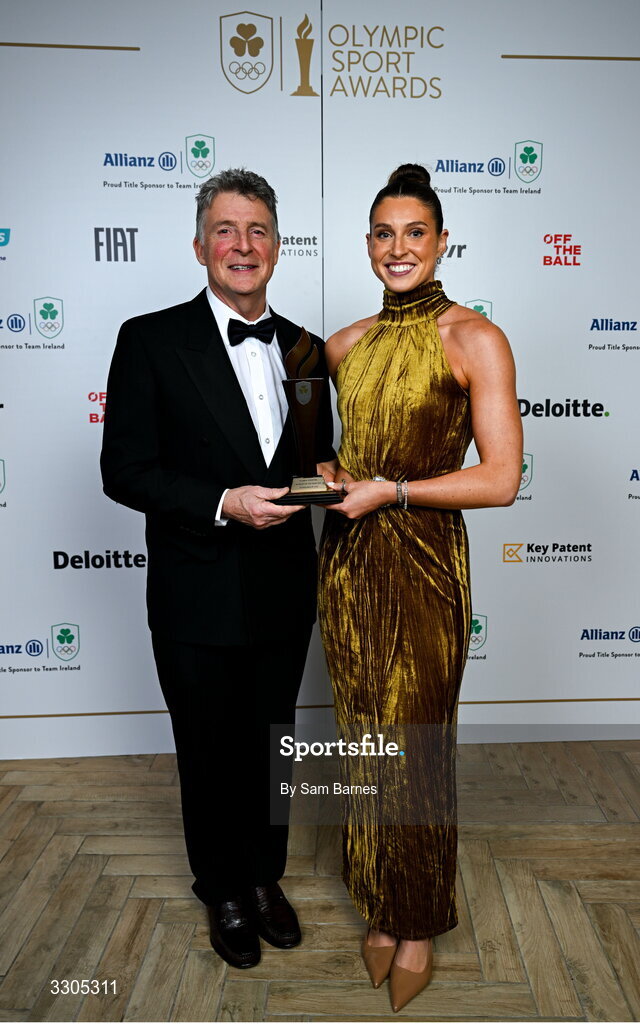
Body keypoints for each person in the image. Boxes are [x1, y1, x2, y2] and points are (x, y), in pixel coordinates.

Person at [100, 168, 335, 970]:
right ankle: (222, 889)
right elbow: (124, 470)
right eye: (227, 231)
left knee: (274, 743)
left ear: (277, 245)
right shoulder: (150, 338)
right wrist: (222, 501)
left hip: (282, 587)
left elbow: (313, 458)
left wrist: (330, 477)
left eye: (258, 230)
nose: (243, 245)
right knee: (207, 747)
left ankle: (265, 877)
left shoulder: (304, 346)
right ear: (201, 245)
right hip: (195, 586)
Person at [317, 164, 522, 1012]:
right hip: (348, 562)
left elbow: (502, 479)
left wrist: (393, 490)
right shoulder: (342, 346)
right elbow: (339, 456)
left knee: (417, 741)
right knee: (364, 735)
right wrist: (330, 474)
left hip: (425, 563)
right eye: (382, 233)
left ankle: (417, 918)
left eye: (414, 233)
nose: (397, 248)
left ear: (440, 243)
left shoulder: (474, 337)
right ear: (368, 244)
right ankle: (378, 896)